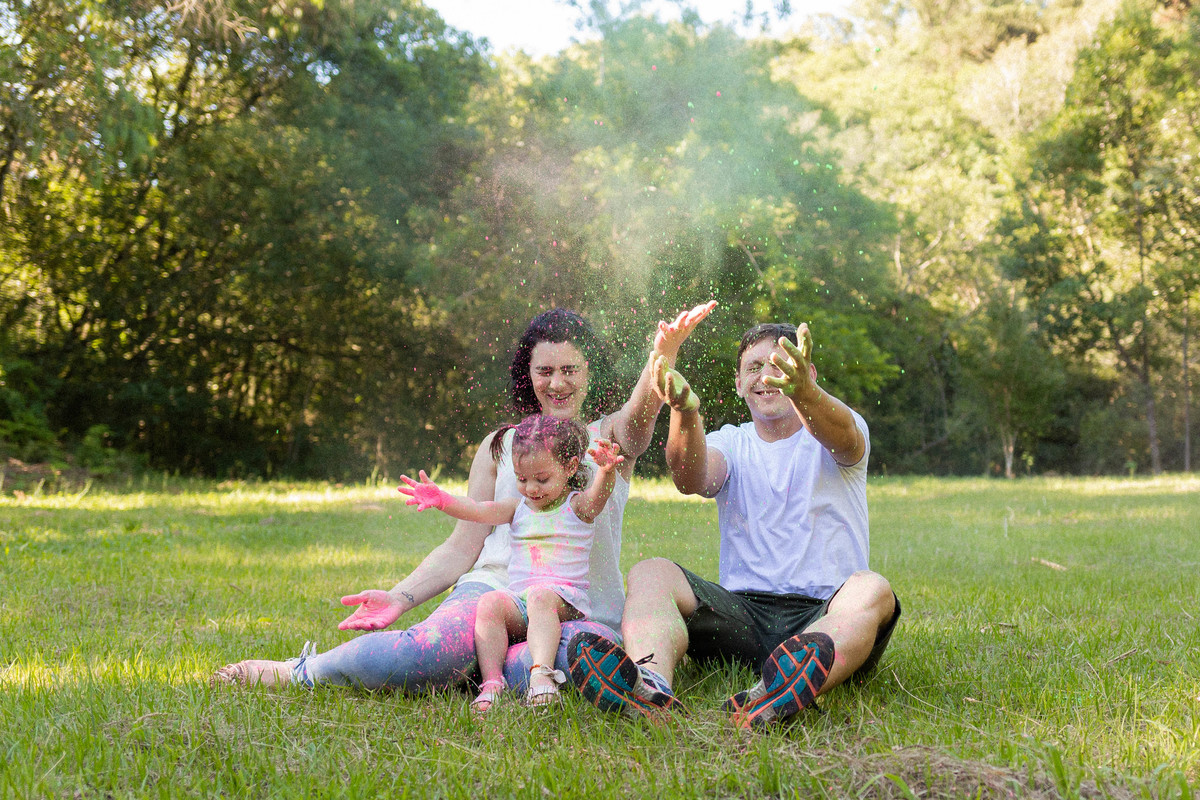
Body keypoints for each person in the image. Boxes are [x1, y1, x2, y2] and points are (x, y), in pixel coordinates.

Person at [212, 301, 717, 692]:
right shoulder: (499, 446)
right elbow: (463, 545)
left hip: (574, 605)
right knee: (429, 653)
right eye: (545, 371)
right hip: (491, 591)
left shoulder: (607, 439)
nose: (557, 382)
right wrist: (401, 596)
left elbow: (641, 414)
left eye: (569, 369)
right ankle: (300, 671)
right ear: (529, 375)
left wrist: (663, 355)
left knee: (576, 662)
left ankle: (494, 670)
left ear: (588, 373)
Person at [567, 321, 900, 729]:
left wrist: (805, 394)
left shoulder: (837, 427)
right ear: (739, 383)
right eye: (754, 367)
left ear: (806, 372)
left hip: (827, 614)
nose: (765, 377)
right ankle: (648, 685)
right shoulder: (732, 441)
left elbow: (846, 438)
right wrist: (685, 412)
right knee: (650, 572)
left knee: (873, 588)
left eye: (779, 364)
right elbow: (691, 478)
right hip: (742, 617)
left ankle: (781, 688)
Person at [398, 415, 623, 710]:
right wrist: (443, 499)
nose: (531, 488)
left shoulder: (576, 505)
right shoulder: (517, 509)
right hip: (523, 601)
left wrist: (606, 472)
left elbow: (598, 499)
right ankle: (492, 682)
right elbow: (478, 510)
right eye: (522, 479)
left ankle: (542, 675)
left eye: (542, 479)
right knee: (490, 603)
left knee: (541, 597)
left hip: (564, 601)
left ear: (569, 467)